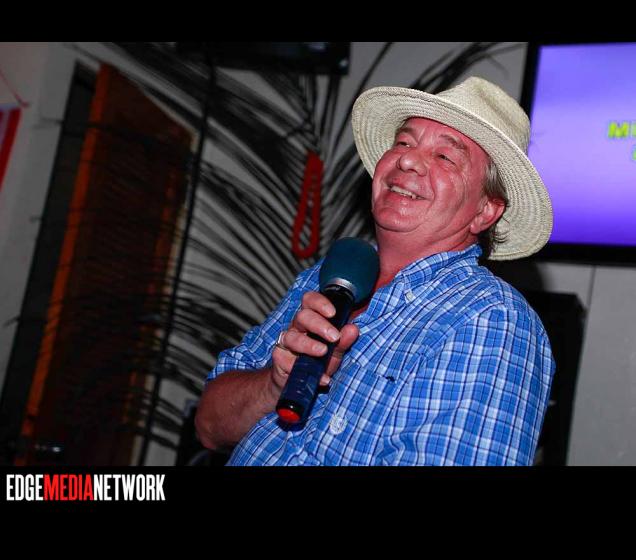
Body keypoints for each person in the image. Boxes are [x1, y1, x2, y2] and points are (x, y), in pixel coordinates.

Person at [195, 76, 555, 466]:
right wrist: (273, 383)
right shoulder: (325, 276)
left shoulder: (492, 318)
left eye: (445, 157)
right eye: (404, 142)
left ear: (485, 211)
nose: (407, 160)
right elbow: (209, 426)